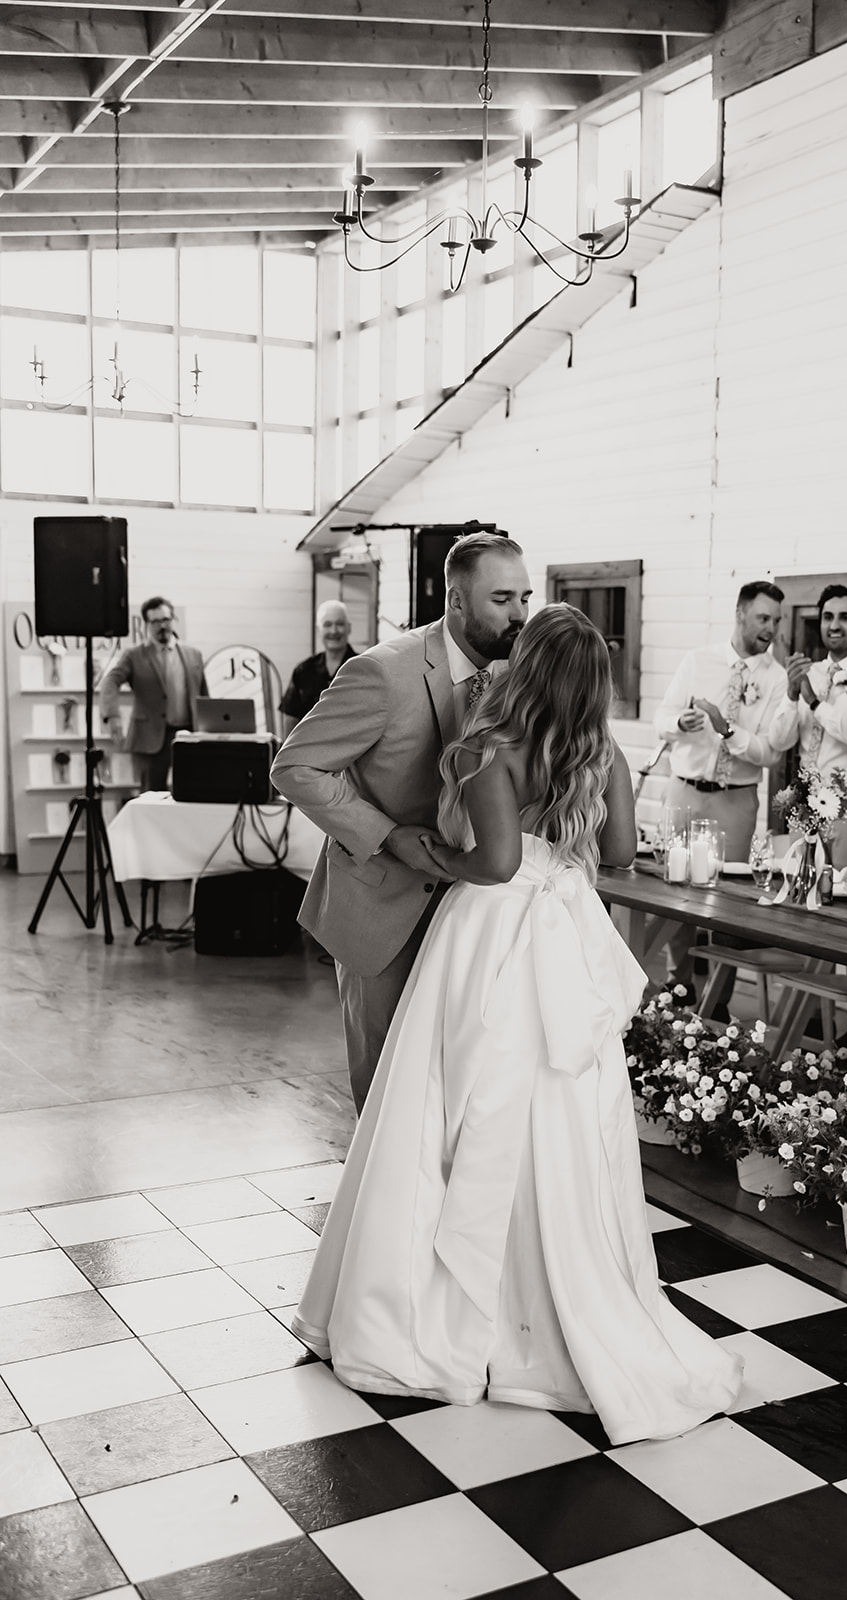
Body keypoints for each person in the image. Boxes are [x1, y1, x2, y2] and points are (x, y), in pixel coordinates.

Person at [291, 605, 744, 1445]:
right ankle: (555, 1290)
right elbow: (613, 854)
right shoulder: (599, 751)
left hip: (490, 929)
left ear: (526, 664)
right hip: (565, 926)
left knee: (455, 1098)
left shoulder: (485, 749)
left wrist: (435, 857)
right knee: (559, 1105)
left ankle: (440, 1303)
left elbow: (494, 864)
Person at [271, 531, 532, 1112]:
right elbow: (294, 766)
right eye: (502, 600)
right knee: (387, 1090)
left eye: (524, 597)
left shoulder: (519, 676)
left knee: (461, 1086)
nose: (520, 615)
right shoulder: (383, 673)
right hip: (384, 906)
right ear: (456, 601)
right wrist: (387, 835)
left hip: (477, 914)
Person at [653, 580, 787, 997]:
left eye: (776, 621)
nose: (770, 629)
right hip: (684, 789)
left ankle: (719, 999)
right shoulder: (698, 661)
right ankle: (681, 984)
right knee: (676, 890)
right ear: (740, 614)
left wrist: (725, 729)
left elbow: (769, 752)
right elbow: (662, 717)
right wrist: (681, 723)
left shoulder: (777, 679)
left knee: (726, 899)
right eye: (763, 618)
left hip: (735, 799)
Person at [769, 583, 847, 864]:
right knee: (799, 889)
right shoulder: (807, 671)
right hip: (805, 799)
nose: (834, 625)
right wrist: (790, 695)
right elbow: (778, 741)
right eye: (828, 617)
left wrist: (815, 704)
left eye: (845, 618)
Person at [99, 596, 206, 792]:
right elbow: (109, 682)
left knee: (193, 791)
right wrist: (112, 716)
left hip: (189, 734)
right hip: (151, 738)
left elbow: (204, 695)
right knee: (151, 796)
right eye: (155, 621)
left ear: (173, 619)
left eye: (165, 619)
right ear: (147, 624)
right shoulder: (134, 655)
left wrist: (210, 731)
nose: (162, 626)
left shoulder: (194, 655)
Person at [279, 600, 358, 735]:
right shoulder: (303, 671)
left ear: (349, 628)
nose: (334, 631)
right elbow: (291, 718)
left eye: (340, 624)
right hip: (309, 752)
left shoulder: (363, 668)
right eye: (327, 625)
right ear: (318, 630)